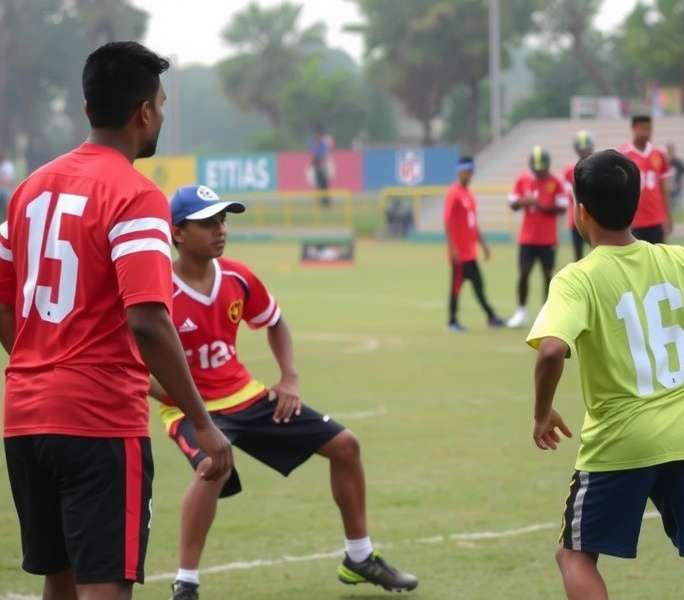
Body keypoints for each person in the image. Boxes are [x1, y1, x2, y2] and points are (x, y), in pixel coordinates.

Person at [0, 42, 232, 600]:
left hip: (25, 418)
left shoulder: (29, 189)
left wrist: (43, 365)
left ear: (86, 109)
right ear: (145, 113)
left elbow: (4, 303)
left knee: (60, 584)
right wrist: (203, 423)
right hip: (99, 422)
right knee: (103, 587)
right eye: (163, 103)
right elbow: (149, 320)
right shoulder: (134, 195)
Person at [155, 185, 418, 599]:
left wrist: (289, 378)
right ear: (177, 233)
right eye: (207, 223)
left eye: (223, 220)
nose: (220, 230)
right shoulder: (157, 289)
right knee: (213, 466)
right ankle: (186, 583)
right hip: (190, 410)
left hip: (248, 397)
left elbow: (274, 321)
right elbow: (134, 366)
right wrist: (182, 402)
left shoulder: (238, 276)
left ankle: (359, 557)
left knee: (346, 445)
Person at [528, 149, 684, 600]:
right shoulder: (674, 259)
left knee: (574, 556)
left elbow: (552, 349)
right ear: (636, 203)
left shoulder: (578, 278)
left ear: (581, 212)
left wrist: (542, 412)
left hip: (621, 441)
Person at [506, 146, 569, 328]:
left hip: (548, 239)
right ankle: (521, 311)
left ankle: (546, 313)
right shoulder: (523, 180)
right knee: (524, 273)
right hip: (527, 238)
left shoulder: (556, 181)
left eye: (542, 168)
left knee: (548, 275)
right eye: (537, 168)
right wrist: (523, 202)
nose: (540, 172)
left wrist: (540, 204)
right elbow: (512, 203)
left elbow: (562, 206)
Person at [443, 157, 504, 332]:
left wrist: (483, 244)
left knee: (478, 286)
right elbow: (447, 222)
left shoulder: (468, 194)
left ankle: (491, 317)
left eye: (471, 172)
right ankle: (452, 321)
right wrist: (452, 248)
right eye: (467, 172)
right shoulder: (453, 193)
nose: (469, 175)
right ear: (460, 171)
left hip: (470, 253)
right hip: (459, 254)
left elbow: (473, 223)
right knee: (456, 288)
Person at [619, 115, 673, 244]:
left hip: (656, 219)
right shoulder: (623, 155)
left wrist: (668, 217)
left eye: (648, 129)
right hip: (633, 221)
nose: (646, 133)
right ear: (633, 128)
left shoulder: (659, 154)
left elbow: (664, 189)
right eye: (642, 129)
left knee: (656, 260)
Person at [561, 130, 593, 262]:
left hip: (594, 219)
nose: (584, 151)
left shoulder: (595, 167)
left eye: (586, 148)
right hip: (577, 220)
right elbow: (569, 193)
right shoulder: (569, 170)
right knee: (578, 256)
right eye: (581, 148)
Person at [310, 123, 334, 207]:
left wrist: (317, 161)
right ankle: (320, 202)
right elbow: (314, 155)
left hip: (322, 166)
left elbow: (323, 155)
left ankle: (326, 203)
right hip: (317, 166)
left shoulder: (323, 144)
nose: (316, 137)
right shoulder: (314, 144)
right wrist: (313, 162)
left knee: (324, 185)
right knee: (319, 185)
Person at [667, 142, 684, 214]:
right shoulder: (665, 162)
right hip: (668, 191)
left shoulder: (679, 163)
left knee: (678, 210)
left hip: (678, 189)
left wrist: (681, 186)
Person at [0, 152, 15, 222]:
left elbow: (9, 179)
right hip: (2, 188)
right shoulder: (2, 165)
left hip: (6, 188)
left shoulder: (7, 166)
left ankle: (8, 218)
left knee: (8, 202)